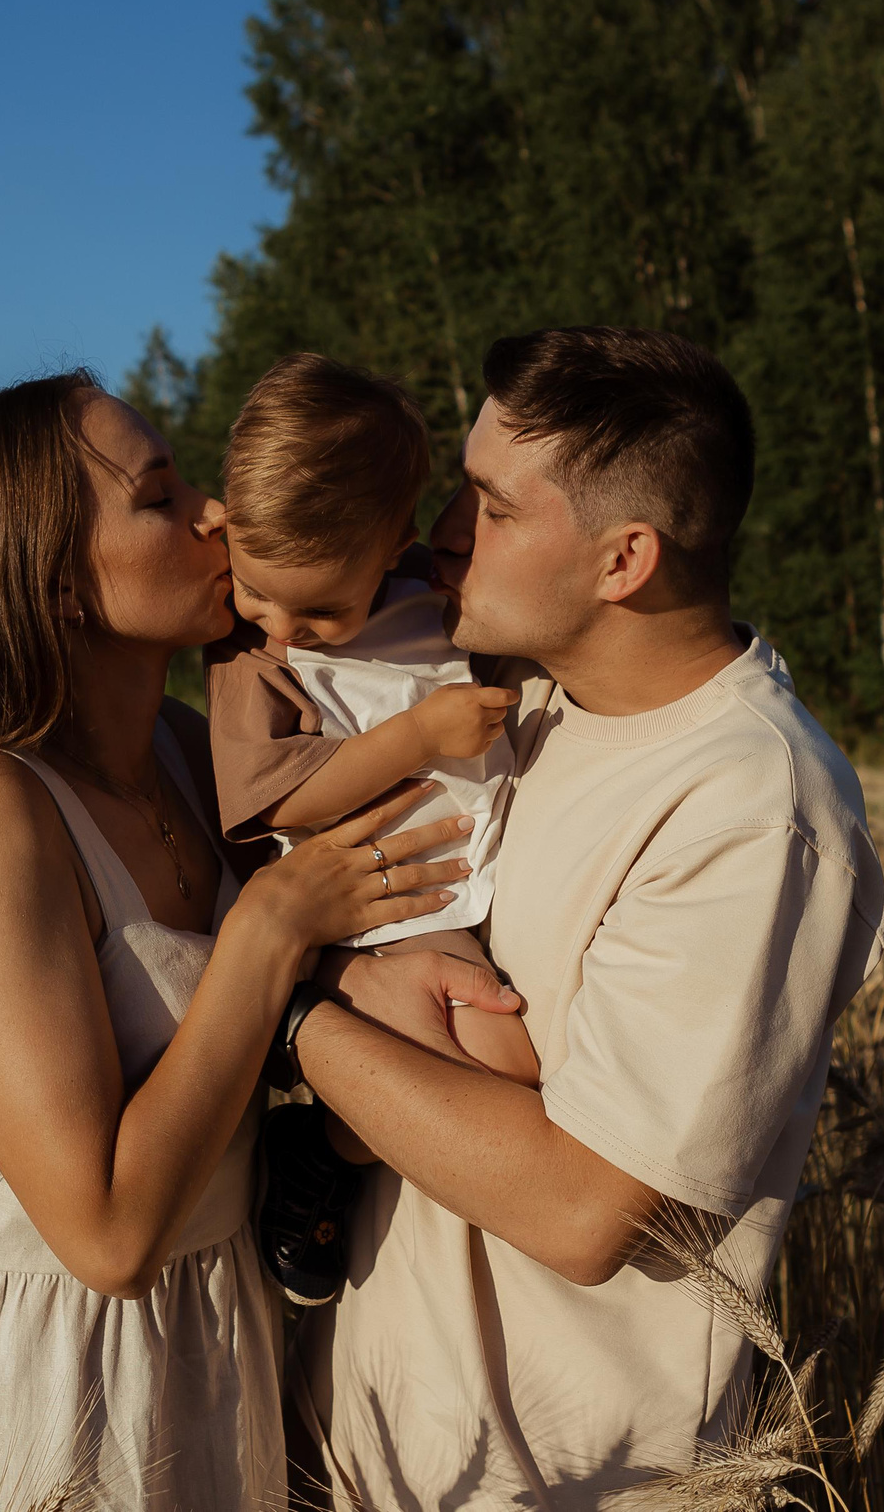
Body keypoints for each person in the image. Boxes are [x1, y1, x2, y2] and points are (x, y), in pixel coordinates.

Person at [0, 371, 513, 1511]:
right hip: (57, 1388)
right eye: (159, 494)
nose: (212, 512)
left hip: (220, 1342)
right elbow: (104, 1235)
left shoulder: (183, 749)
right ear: (56, 581)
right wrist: (272, 925)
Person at [281, 328, 884, 1506]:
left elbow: (579, 1207)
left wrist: (289, 1008)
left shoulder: (753, 805)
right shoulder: (528, 717)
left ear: (625, 559)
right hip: (372, 1455)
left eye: (492, 508)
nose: (440, 535)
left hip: (557, 1480)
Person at [199, 353, 536, 1304]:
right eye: (253, 586)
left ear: (393, 544)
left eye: (320, 607)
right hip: (377, 892)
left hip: (466, 870)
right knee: (505, 1062)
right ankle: (325, 1145)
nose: (282, 625)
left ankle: (336, 1134)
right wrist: (418, 733)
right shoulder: (249, 661)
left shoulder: (429, 594)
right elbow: (276, 800)